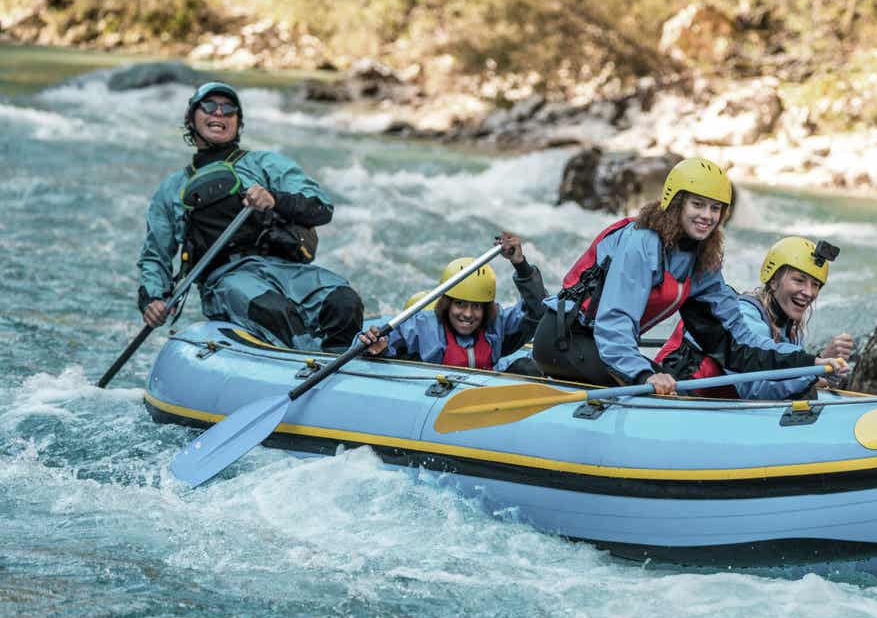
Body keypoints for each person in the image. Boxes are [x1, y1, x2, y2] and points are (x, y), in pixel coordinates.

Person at [532, 157, 841, 394]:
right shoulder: (642, 243)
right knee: (654, 390)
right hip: (566, 340)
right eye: (697, 204)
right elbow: (614, 323)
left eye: (715, 208)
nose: (707, 216)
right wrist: (644, 374)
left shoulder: (700, 261)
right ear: (675, 203)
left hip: (604, 348)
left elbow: (738, 342)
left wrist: (805, 363)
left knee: (663, 384)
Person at [137, 82, 363, 350]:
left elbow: (321, 208)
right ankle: (307, 361)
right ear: (191, 119)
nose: (219, 113)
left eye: (229, 108)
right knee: (272, 311)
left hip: (285, 269)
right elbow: (155, 256)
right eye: (209, 106)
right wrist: (153, 298)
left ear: (238, 122)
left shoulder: (266, 164)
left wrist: (274, 199)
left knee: (344, 301)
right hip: (224, 279)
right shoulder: (172, 189)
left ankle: (338, 366)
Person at [657, 236, 853, 398]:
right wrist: (814, 368)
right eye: (799, 280)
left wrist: (827, 370)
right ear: (774, 280)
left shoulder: (790, 327)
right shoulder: (746, 315)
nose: (808, 292)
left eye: (816, 284)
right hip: (680, 396)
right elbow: (754, 391)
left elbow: (789, 377)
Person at [355, 232, 546, 371]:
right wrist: (375, 346)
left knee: (526, 369)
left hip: (483, 395)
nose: (468, 314)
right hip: (434, 397)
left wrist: (521, 265)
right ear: (447, 304)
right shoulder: (423, 325)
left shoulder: (495, 323)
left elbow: (539, 311)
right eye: (460, 304)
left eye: (477, 306)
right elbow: (376, 339)